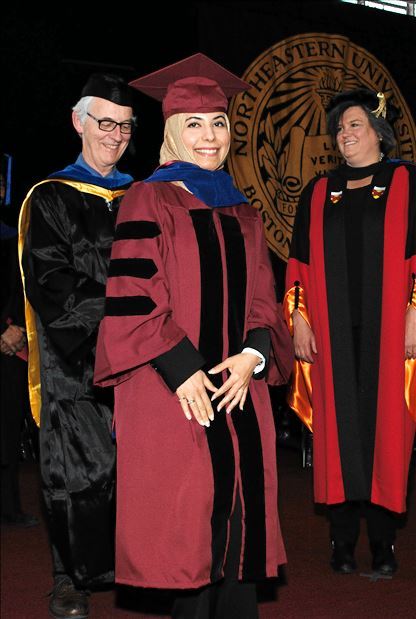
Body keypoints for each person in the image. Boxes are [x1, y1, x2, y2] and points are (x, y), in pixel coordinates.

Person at [94, 53, 294, 619]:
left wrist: (252, 356)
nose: (209, 136)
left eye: (219, 123)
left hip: (235, 389)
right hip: (171, 388)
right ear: (173, 133)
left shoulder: (244, 211)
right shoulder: (148, 198)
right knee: (187, 534)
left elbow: (264, 299)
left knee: (238, 527)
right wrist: (186, 371)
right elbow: (134, 295)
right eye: (194, 124)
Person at [284, 87, 416, 577]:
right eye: (340, 128)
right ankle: (342, 542)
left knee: (386, 430)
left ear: (378, 133)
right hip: (332, 332)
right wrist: (298, 318)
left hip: (390, 331)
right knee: (338, 433)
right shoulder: (319, 191)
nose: (345, 134)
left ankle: (384, 545)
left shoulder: (406, 181)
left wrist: (415, 313)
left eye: (355, 125)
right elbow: (297, 263)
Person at [18, 73, 135, 619]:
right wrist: (129, 317)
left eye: (125, 126)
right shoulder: (49, 197)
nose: (115, 135)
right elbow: (52, 283)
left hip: (142, 360)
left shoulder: (144, 196)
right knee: (75, 473)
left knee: (139, 470)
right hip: (76, 362)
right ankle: (68, 580)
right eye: (104, 122)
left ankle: (142, 566)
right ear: (78, 122)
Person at [1, 161, 39, 528]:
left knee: (8, 430)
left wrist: (14, 332)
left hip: (11, 345)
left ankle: (9, 508)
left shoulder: (15, 239)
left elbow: (23, 290)